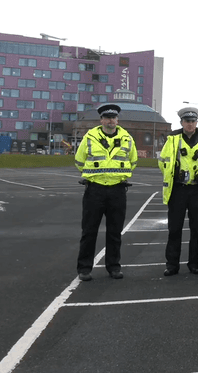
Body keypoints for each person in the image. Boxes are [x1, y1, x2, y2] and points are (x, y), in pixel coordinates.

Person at [75, 103, 138, 281]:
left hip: (117, 190)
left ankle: (114, 267)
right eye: (107, 117)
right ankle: (84, 269)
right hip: (95, 189)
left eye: (113, 117)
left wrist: (118, 175)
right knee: (89, 231)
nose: (111, 120)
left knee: (115, 231)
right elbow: (79, 161)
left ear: (117, 119)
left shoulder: (127, 138)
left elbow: (133, 161)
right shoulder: (90, 137)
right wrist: (94, 175)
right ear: (101, 120)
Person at [159, 106, 198, 276]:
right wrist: (173, 173)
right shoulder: (173, 140)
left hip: (197, 191)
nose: (190, 124)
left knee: (196, 230)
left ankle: (194, 264)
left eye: (192, 121)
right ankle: (172, 265)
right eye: (187, 121)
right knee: (174, 229)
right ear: (181, 122)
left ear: (196, 122)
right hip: (177, 190)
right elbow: (163, 161)